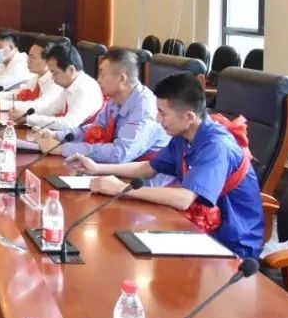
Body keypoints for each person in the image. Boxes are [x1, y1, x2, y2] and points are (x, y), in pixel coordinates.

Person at [69, 72, 264, 258]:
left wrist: (121, 188)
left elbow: (184, 199)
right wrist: (97, 168)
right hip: (197, 226)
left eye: (163, 114)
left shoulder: (216, 146)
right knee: (125, 239)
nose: (158, 120)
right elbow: (148, 168)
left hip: (231, 242)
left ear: (189, 117)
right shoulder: (184, 135)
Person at [42, 49, 170, 177]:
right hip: (111, 171)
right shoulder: (115, 100)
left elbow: (120, 153)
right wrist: (57, 136)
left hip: (143, 180)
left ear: (122, 78)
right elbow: (94, 130)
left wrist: (63, 149)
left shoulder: (145, 108)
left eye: (102, 74)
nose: (98, 80)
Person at [20, 41, 103, 129]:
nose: (52, 78)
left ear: (70, 70)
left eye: (54, 73)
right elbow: (51, 109)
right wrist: (25, 115)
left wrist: (29, 119)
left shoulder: (84, 89)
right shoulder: (71, 85)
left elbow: (69, 123)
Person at [0, 37, 61, 112]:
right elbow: (17, 93)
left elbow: (39, 106)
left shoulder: (56, 81)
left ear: (47, 61)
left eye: (32, 57)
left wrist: (3, 105)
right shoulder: (36, 77)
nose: (27, 61)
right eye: (29, 56)